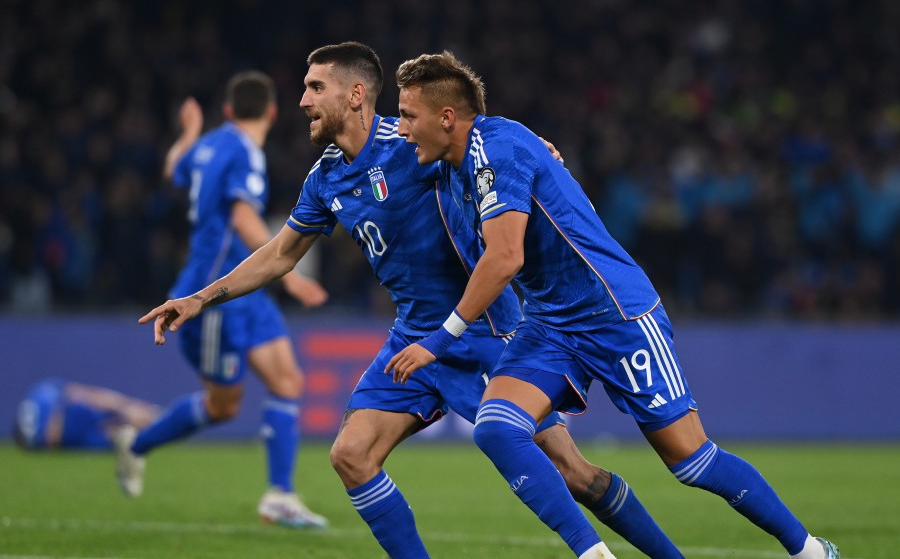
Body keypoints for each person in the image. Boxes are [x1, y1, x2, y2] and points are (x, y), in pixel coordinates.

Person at [139, 42, 683, 558]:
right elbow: (280, 254)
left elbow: (484, 142)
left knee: (575, 474)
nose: (302, 100)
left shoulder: (410, 143)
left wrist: (536, 150)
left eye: (314, 87)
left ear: (354, 95)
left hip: (484, 330)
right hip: (413, 336)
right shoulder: (325, 177)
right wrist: (199, 298)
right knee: (351, 455)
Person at [386, 51, 841, 559]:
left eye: (407, 115)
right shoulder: (455, 158)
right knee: (496, 427)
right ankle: (593, 552)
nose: (401, 128)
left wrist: (439, 339)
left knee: (690, 460)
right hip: (552, 325)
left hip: (617, 312)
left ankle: (809, 551)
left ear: (447, 117)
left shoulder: (497, 150)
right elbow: (375, 139)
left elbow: (506, 257)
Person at [119, 72, 329, 529]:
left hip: (243, 290)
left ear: (230, 111)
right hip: (212, 295)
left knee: (288, 381)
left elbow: (173, 166)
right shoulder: (243, 153)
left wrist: (190, 133)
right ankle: (136, 442)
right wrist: (288, 271)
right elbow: (241, 215)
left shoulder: (211, 145)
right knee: (224, 406)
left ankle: (280, 495)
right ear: (273, 112)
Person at [12, 379, 160, 452]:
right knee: (119, 433)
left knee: (122, 426)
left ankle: (149, 420)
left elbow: (75, 391)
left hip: (72, 422)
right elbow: (76, 392)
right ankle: (150, 422)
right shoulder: (41, 396)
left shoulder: (40, 394)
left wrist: (123, 406)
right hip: (72, 429)